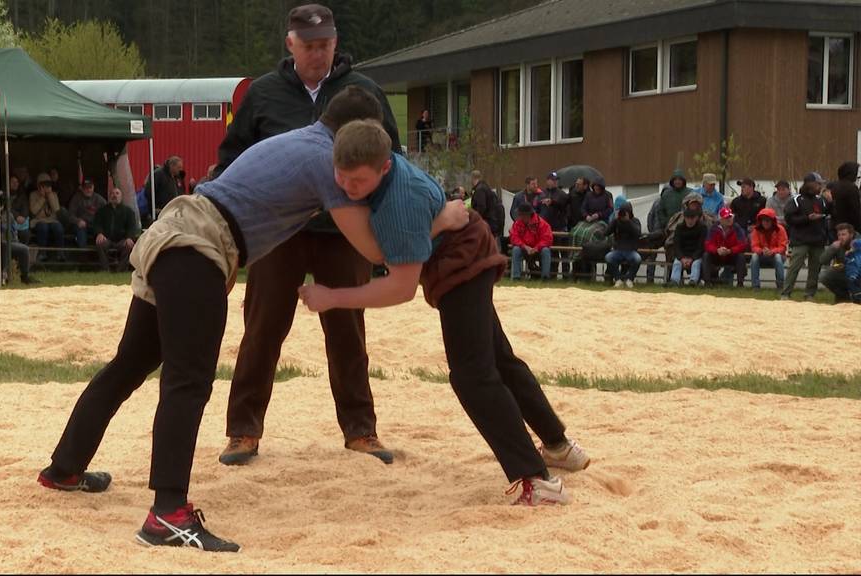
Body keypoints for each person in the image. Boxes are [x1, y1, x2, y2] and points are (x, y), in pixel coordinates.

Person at [37, 87, 450, 553]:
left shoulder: (301, 140)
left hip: (175, 230)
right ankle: (168, 514)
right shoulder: (326, 161)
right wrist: (439, 220)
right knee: (187, 382)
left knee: (130, 363)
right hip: (198, 247)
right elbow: (373, 250)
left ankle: (65, 468)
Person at [299, 119, 590, 508]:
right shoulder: (378, 169)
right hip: (461, 253)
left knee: (472, 376)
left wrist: (332, 297)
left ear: (385, 167)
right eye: (342, 177)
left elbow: (400, 288)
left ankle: (537, 481)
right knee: (499, 360)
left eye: (358, 181)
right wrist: (435, 223)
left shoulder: (398, 203)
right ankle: (557, 446)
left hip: (460, 265)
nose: (347, 187)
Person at [214, 4, 401, 467]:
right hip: (278, 232)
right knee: (262, 328)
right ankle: (243, 431)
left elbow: (391, 159)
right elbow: (231, 159)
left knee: (348, 331)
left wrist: (391, 228)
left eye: (325, 45)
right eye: (309, 46)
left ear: (336, 43)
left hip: (344, 232)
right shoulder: (262, 94)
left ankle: (361, 430)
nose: (318, 54)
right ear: (290, 44)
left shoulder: (365, 93)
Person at [781, 180, 829, 301]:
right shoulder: (796, 200)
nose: (820, 186)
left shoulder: (821, 200)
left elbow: (828, 213)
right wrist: (807, 218)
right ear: (809, 184)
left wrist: (831, 202)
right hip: (800, 239)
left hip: (818, 239)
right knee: (794, 267)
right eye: (817, 184)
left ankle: (810, 294)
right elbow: (789, 218)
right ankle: (786, 293)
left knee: (815, 269)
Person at [92, 187, 141, 272]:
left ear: (121, 196)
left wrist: (129, 237)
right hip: (107, 239)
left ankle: (121, 270)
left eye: (117, 193)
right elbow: (97, 224)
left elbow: (132, 227)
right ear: (109, 196)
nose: (114, 195)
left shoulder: (128, 212)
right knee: (100, 244)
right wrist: (99, 233)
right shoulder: (102, 211)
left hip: (122, 240)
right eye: (112, 193)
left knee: (128, 245)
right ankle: (105, 269)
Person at [703, 207, 748, 287]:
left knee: (741, 256)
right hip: (717, 255)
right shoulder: (713, 228)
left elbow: (743, 244)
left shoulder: (737, 228)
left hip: (731, 255)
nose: (729, 219)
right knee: (706, 255)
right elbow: (707, 244)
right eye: (726, 217)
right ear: (720, 219)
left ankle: (740, 283)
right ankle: (707, 282)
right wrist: (717, 250)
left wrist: (730, 250)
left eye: (730, 217)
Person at [508, 203, 552, 281]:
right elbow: (513, 237)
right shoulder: (517, 224)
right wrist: (524, 246)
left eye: (520, 214)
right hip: (524, 248)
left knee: (546, 251)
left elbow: (547, 238)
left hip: (538, 249)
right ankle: (516, 277)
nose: (519, 216)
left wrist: (536, 248)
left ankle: (545, 277)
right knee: (516, 250)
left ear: (527, 215)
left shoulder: (542, 223)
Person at [604, 202, 642, 288]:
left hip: (631, 250)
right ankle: (618, 279)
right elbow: (606, 233)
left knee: (638, 259)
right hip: (618, 250)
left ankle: (630, 279)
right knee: (608, 257)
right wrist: (614, 221)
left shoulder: (635, 221)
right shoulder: (616, 222)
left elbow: (638, 234)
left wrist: (628, 222)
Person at [749, 208, 787, 291]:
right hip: (761, 256)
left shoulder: (780, 229)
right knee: (754, 256)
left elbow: (783, 247)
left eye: (768, 220)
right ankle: (755, 286)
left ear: (772, 221)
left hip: (777, 257)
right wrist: (761, 251)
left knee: (777, 256)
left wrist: (772, 252)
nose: (765, 222)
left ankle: (780, 285)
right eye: (763, 220)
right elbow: (754, 246)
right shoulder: (756, 230)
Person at [539, 171, 569, 279]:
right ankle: (552, 274)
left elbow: (563, 205)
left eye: (556, 180)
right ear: (547, 181)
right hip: (545, 227)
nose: (555, 182)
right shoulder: (542, 193)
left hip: (559, 227)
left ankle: (566, 275)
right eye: (552, 180)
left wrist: (552, 202)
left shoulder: (562, 194)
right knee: (552, 252)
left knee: (564, 252)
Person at [30, 174, 66, 262]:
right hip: (39, 220)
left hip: (52, 220)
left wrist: (50, 196)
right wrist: (42, 197)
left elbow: (56, 209)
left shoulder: (54, 194)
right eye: (44, 185)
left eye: (48, 185)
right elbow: (34, 211)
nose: (46, 187)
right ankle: (42, 253)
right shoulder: (33, 195)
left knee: (59, 228)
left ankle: (60, 253)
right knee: (43, 227)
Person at [819, 223, 857, 303]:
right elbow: (822, 260)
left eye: (843, 234)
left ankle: (856, 298)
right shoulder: (838, 245)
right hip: (845, 272)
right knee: (824, 276)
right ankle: (844, 297)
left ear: (851, 235)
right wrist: (832, 248)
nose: (841, 237)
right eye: (839, 235)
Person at [670, 207, 707, 286]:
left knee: (696, 264)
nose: (690, 220)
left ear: (696, 218)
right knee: (677, 263)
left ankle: (693, 281)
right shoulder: (679, 227)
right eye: (688, 218)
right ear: (684, 217)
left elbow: (701, 246)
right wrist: (682, 258)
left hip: (697, 255)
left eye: (692, 218)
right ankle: (674, 281)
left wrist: (692, 258)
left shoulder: (702, 228)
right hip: (683, 254)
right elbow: (676, 245)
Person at [69, 179, 107, 248]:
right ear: (82, 189)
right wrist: (78, 221)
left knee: (102, 240)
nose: (88, 190)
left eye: (90, 188)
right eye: (86, 188)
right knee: (81, 243)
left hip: (95, 225)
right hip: (82, 225)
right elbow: (70, 215)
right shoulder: (76, 198)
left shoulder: (99, 199)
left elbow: (108, 211)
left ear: (93, 188)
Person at [470, 170, 504, 242]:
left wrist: (476, 219)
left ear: (472, 178)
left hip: (488, 222)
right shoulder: (486, 188)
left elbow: (481, 207)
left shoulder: (480, 190)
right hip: (494, 221)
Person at [828, 161, 861, 232]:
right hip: (848, 227)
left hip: (834, 225)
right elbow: (855, 210)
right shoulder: (851, 188)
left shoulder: (833, 186)